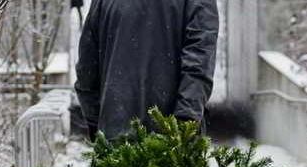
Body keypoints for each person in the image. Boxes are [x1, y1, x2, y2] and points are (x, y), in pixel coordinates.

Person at [74, 0, 219, 141]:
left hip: (116, 133)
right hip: (172, 140)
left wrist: (96, 121)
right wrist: (186, 120)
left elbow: (87, 68)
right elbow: (199, 61)